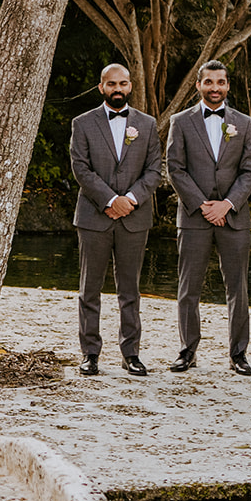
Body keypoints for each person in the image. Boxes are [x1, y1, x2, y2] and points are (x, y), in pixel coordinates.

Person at [164, 60, 251, 376]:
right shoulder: (180, 121)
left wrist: (227, 204)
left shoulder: (243, 123)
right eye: (209, 82)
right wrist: (202, 204)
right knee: (189, 286)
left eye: (220, 82)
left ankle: (238, 355)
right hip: (194, 216)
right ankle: (187, 351)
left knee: (238, 287)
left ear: (228, 85)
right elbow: (174, 167)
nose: (215, 88)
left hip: (234, 218)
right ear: (198, 85)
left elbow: (250, 170)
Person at [70, 62, 162, 376]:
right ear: (101, 87)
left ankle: (131, 354)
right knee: (89, 289)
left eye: (123, 83)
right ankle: (90, 354)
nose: (118, 89)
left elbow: (154, 171)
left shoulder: (148, 125)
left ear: (130, 86)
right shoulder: (82, 123)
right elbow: (81, 169)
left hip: (134, 218)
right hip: (94, 216)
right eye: (111, 84)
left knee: (130, 290)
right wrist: (110, 200)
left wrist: (129, 201)